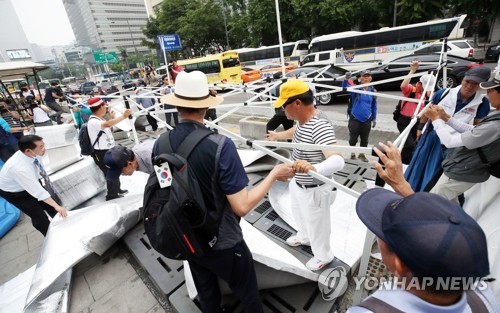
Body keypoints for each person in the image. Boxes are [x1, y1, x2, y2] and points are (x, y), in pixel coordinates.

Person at [159, 70, 294, 312]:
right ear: (205, 108)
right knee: (248, 296)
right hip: (223, 241)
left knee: (207, 295)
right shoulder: (220, 145)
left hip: (186, 237)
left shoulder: (161, 143)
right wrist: (273, 174)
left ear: (178, 106)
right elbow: (241, 206)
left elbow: (166, 188)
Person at [346, 141, 500, 312]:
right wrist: (403, 186)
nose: (376, 237)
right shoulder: (483, 295)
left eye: (382, 235)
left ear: (400, 265)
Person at [266, 79, 345, 271]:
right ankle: (304, 237)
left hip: (315, 189)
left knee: (318, 225)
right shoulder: (303, 121)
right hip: (300, 183)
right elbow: (297, 131)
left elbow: (338, 160)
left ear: (297, 104)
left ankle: (323, 255)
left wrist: (313, 168)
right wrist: (278, 137)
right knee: (300, 214)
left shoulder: (319, 125)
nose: (282, 111)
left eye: (284, 106)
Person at [404, 66, 491, 192]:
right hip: (432, 138)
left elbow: (476, 128)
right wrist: (420, 129)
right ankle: (411, 193)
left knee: (439, 174)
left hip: (454, 145)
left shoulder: (482, 103)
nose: (469, 86)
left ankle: (429, 199)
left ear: (481, 85)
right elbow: (426, 112)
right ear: (463, 80)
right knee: (419, 168)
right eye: (467, 82)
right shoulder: (443, 93)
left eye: (475, 84)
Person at [423, 71, 500, 203]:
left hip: (465, 169)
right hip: (464, 166)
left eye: (490, 90)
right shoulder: (496, 117)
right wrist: (446, 117)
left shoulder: (495, 124)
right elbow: (475, 130)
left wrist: (436, 119)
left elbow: (450, 142)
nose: (487, 94)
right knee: (450, 202)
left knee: (435, 201)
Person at [0, 135, 68, 236]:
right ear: (28, 150)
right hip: (15, 193)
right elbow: (38, 192)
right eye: (40, 147)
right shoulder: (19, 168)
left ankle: (65, 226)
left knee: (51, 206)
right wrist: (57, 206)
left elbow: (38, 171)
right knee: (39, 216)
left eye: (43, 145)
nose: (44, 149)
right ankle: (51, 237)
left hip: (30, 182)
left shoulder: (33, 154)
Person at [86, 97, 133, 201]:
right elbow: (107, 124)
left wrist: (113, 117)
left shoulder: (99, 119)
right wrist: (124, 116)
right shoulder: (93, 121)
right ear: (101, 107)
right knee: (110, 172)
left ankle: (117, 189)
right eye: (105, 106)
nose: (106, 108)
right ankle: (111, 195)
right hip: (101, 152)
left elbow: (107, 127)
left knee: (115, 169)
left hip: (107, 150)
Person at [397, 61, 435, 164]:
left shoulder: (428, 94)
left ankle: (405, 160)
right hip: (404, 121)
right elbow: (403, 86)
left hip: (417, 122)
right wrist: (412, 70)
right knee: (409, 144)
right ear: (419, 83)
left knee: (413, 144)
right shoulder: (411, 90)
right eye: (424, 87)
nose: (427, 90)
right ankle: (403, 164)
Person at [346, 70, 377, 162]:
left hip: (367, 119)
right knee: (353, 138)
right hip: (355, 118)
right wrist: (346, 79)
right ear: (360, 78)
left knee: (365, 139)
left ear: (371, 78)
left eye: (368, 76)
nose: (366, 78)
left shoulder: (373, 91)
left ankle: (362, 154)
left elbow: (374, 106)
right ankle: (352, 153)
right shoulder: (356, 89)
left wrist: (374, 118)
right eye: (364, 76)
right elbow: (345, 87)